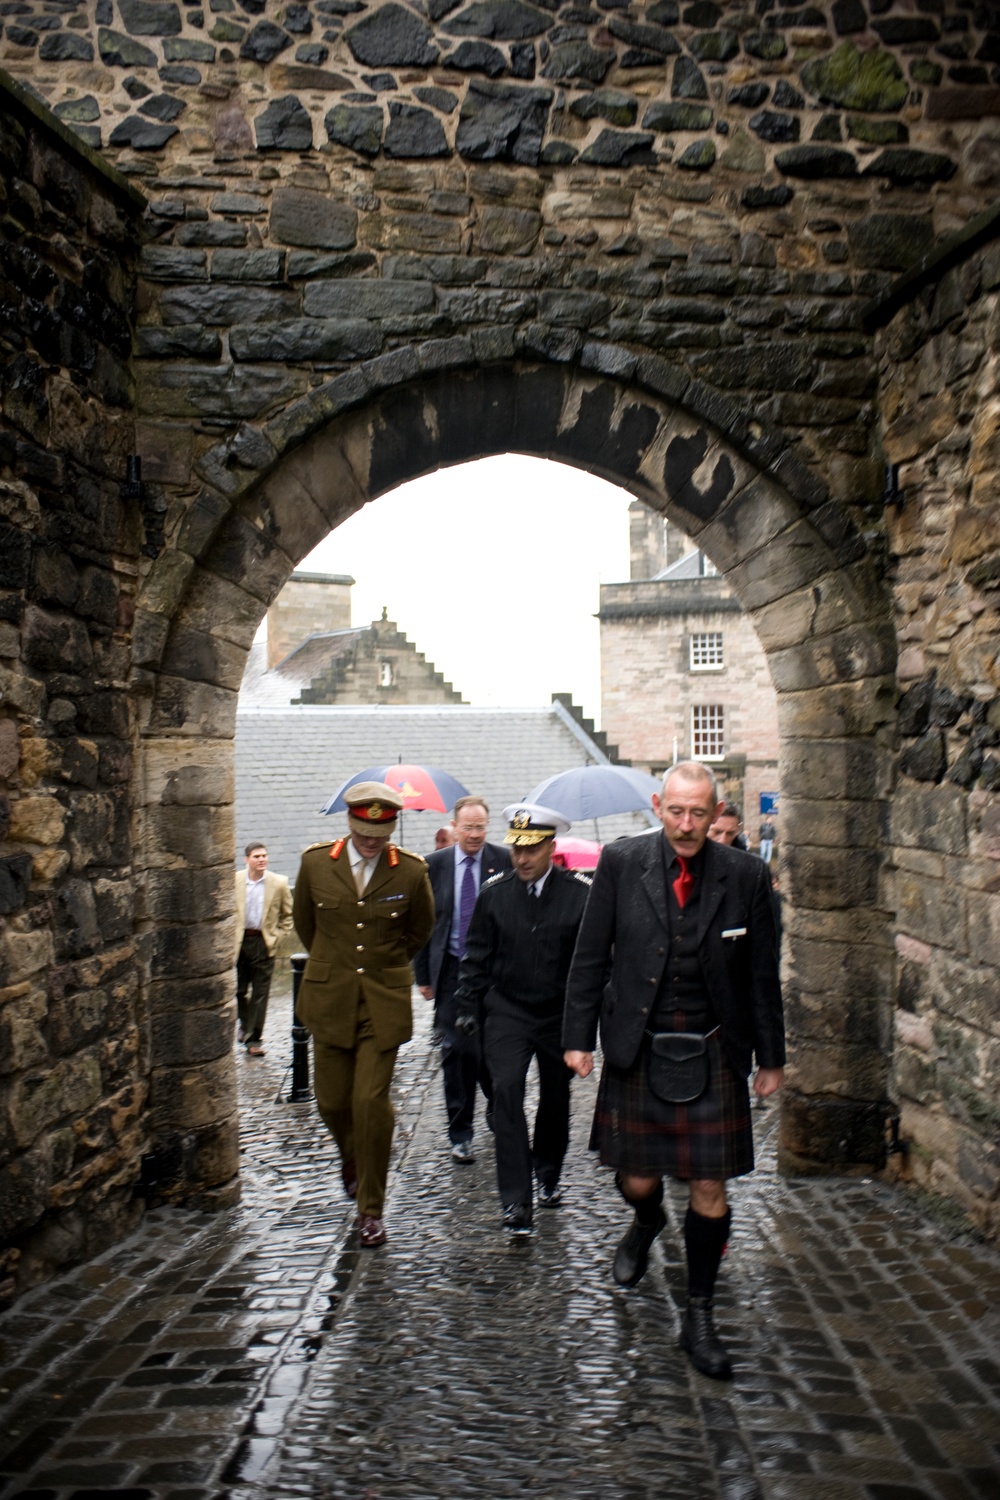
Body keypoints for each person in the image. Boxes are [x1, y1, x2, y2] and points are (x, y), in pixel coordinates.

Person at [563, 761, 784, 1379]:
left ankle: (700, 1314)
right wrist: (577, 1038)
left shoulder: (746, 875)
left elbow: (761, 973)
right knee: (636, 1177)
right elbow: (589, 956)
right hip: (639, 1043)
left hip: (715, 1047)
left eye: (699, 813)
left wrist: (772, 1057)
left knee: (710, 1186)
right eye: (676, 812)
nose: (687, 825)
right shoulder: (621, 863)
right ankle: (646, 1217)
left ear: (717, 813)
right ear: (658, 805)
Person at [292, 782, 434, 1248]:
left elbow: (419, 930)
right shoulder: (316, 864)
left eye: (380, 832)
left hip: (382, 1003)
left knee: (370, 1103)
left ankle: (370, 1209)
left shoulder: (410, 872)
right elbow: (306, 928)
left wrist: (382, 967)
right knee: (332, 1102)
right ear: (350, 824)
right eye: (363, 831)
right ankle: (353, 1156)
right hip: (329, 999)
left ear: (391, 827)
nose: (371, 840)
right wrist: (336, 968)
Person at [455, 803, 592, 1237]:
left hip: (557, 1014)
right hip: (508, 1011)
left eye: (532, 849)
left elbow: (589, 967)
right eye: (516, 848)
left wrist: (585, 1025)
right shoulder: (495, 896)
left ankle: (548, 1171)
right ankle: (516, 1200)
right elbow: (476, 957)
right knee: (507, 1093)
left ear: (551, 847)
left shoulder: (579, 896)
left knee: (556, 1098)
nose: (522, 858)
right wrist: (466, 1008)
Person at [414, 796, 511, 1163]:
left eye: (481, 827)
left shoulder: (503, 860)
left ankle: (494, 1105)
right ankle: (460, 1133)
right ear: (454, 827)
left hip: (494, 973)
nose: (474, 834)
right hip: (452, 970)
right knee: (456, 1053)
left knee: (492, 1050)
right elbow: (424, 924)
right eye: (468, 827)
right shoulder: (433, 865)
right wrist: (423, 976)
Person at [234, 842, 293, 1057]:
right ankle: (245, 1024)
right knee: (240, 991)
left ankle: (254, 1039)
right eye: (257, 856)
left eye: (264, 856)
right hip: (239, 942)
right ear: (246, 859)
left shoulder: (278, 883)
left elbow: (288, 915)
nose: (262, 860)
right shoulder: (236, 880)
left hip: (263, 942)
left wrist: (278, 938)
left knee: (260, 994)